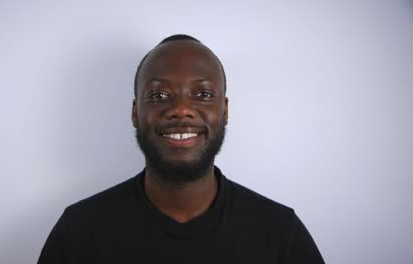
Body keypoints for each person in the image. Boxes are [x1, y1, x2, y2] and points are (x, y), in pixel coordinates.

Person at [37, 34, 325, 264]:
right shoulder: (79, 233)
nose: (181, 109)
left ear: (224, 111)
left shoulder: (279, 234)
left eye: (202, 94)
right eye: (159, 95)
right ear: (136, 112)